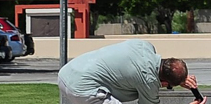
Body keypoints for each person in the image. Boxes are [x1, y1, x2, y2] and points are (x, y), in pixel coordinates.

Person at [56, 39, 194, 104]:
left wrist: (178, 80)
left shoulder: (145, 46)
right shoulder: (149, 81)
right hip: (82, 89)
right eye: (168, 86)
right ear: (164, 82)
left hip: (66, 73)